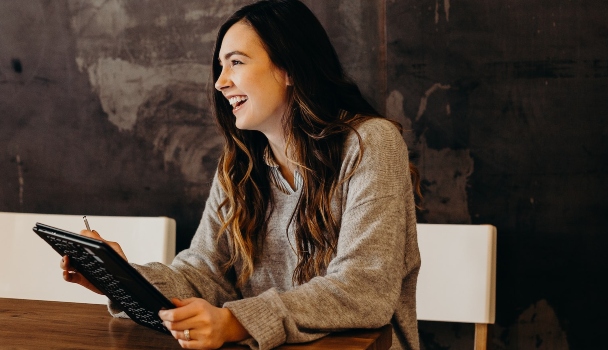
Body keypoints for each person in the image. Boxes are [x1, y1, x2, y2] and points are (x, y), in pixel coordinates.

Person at [60, 1, 421, 349]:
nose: (220, 82)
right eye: (220, 66)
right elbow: (204, 275)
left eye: (236, 62)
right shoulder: (239, 166)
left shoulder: (370, 143)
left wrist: (236, 322)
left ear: (290, 68)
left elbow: (364, 289)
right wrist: (123, 279)